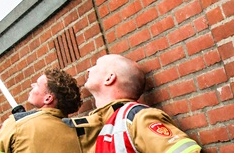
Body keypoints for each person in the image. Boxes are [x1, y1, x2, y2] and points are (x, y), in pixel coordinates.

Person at [70, 54, 201, 153]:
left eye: (96, 65)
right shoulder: (100, 123)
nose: (89, 69)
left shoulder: (138, 117)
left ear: (109, 78)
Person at [0, 67, 83, 153]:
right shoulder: (77, 131)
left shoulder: (16, 123)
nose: (32, 85)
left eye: (37, 85)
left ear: (48, 99)